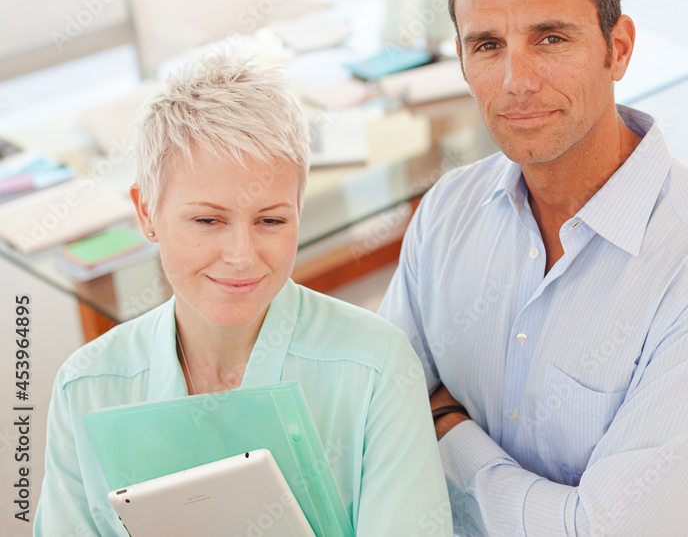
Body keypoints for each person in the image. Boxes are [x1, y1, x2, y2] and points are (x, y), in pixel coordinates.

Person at [378, 0, 688, 537]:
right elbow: (379, 413)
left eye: (551, 37)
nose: (517, 79)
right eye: (487, 45)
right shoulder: (446, 212)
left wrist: (446, 429)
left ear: (617, 47)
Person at [36, 55, 451, 536]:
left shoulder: (376, 369)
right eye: (208, 220)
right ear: (146, 211)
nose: (241, 255)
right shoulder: (86, 388)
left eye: (271, 221)